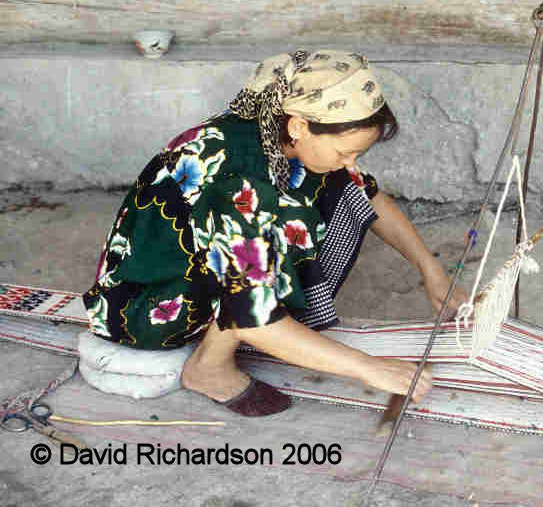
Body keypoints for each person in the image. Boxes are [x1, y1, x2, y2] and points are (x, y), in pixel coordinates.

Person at [82, 50, 467, 416]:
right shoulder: (237, 181)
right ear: (300, 126)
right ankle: (208, 368)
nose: (351, 163)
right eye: (344, 151)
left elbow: (366, 196)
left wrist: (432, 272)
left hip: (198, 262)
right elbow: (256, 319)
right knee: (274, 242)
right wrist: (370, 368)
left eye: (357, 154)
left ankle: (240, 330)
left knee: (337, 189)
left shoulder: (277, 131)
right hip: (146, 303)